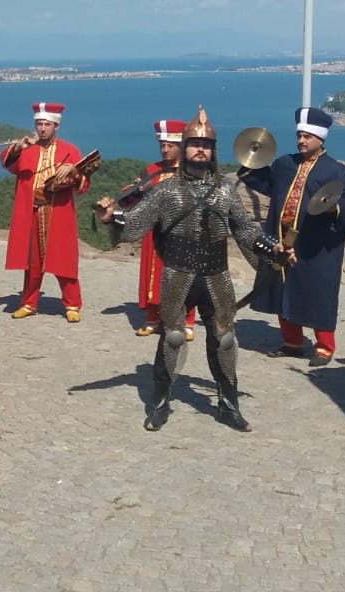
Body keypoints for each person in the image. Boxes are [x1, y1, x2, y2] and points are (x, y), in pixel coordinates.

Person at [96, 107, 291, 432]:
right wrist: (111, 217)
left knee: (225, 339)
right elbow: (134, 224)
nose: (200, 148)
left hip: (216, 276)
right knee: (172, 337)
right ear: (185, 147)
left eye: (206, 144)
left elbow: (245, 230)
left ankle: (228, 406)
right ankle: (159, 404)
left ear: (212, 151)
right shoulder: (165, 190)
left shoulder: (226, 190)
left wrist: (273, 250)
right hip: (178, 274)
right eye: (194, 143)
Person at [240, 107, 345, 366]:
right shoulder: (285, 164)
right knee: (282, 287)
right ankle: (292, 342)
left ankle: (324, 347)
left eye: (307, 136)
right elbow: (268, 184)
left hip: (315, 243)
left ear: (320, 138)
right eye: (299, 135)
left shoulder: (335, 171)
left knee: (317, 292)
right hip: (281, 238)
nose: (302, 140)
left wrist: (332, 207)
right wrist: (250, 162)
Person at [0, 102, 88, 321]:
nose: (42, 128)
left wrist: (74, 171)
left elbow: (84, 184)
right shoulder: (27, 150)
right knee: (32, 262)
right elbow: (6, 162)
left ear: (55, 126)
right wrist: (18, 147)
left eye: (46, 124)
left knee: (63, 259)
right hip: (32, 211)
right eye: (39, 124)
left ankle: (72, 305)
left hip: (58, 211)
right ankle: (29, 302)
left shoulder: (70, 150)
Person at [125, 119, 195, 339]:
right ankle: (153, 318)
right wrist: (137, 188)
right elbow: (129, 199)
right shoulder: (151, 169)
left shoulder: (193, 170)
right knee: (153, 275)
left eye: (170, 145)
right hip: (155, 232)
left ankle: (186, 321)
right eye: (162, 145)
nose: (165, 150)